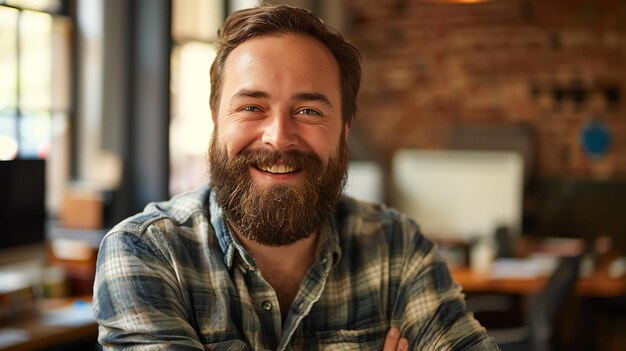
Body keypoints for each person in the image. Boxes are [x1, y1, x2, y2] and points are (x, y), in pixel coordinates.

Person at [93, 4, 498, 350]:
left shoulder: (399, 250)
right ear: (216, 120)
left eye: (308, 111)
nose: (279, 137)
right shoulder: (148, 253)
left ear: (344, 129)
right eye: (252, 107)